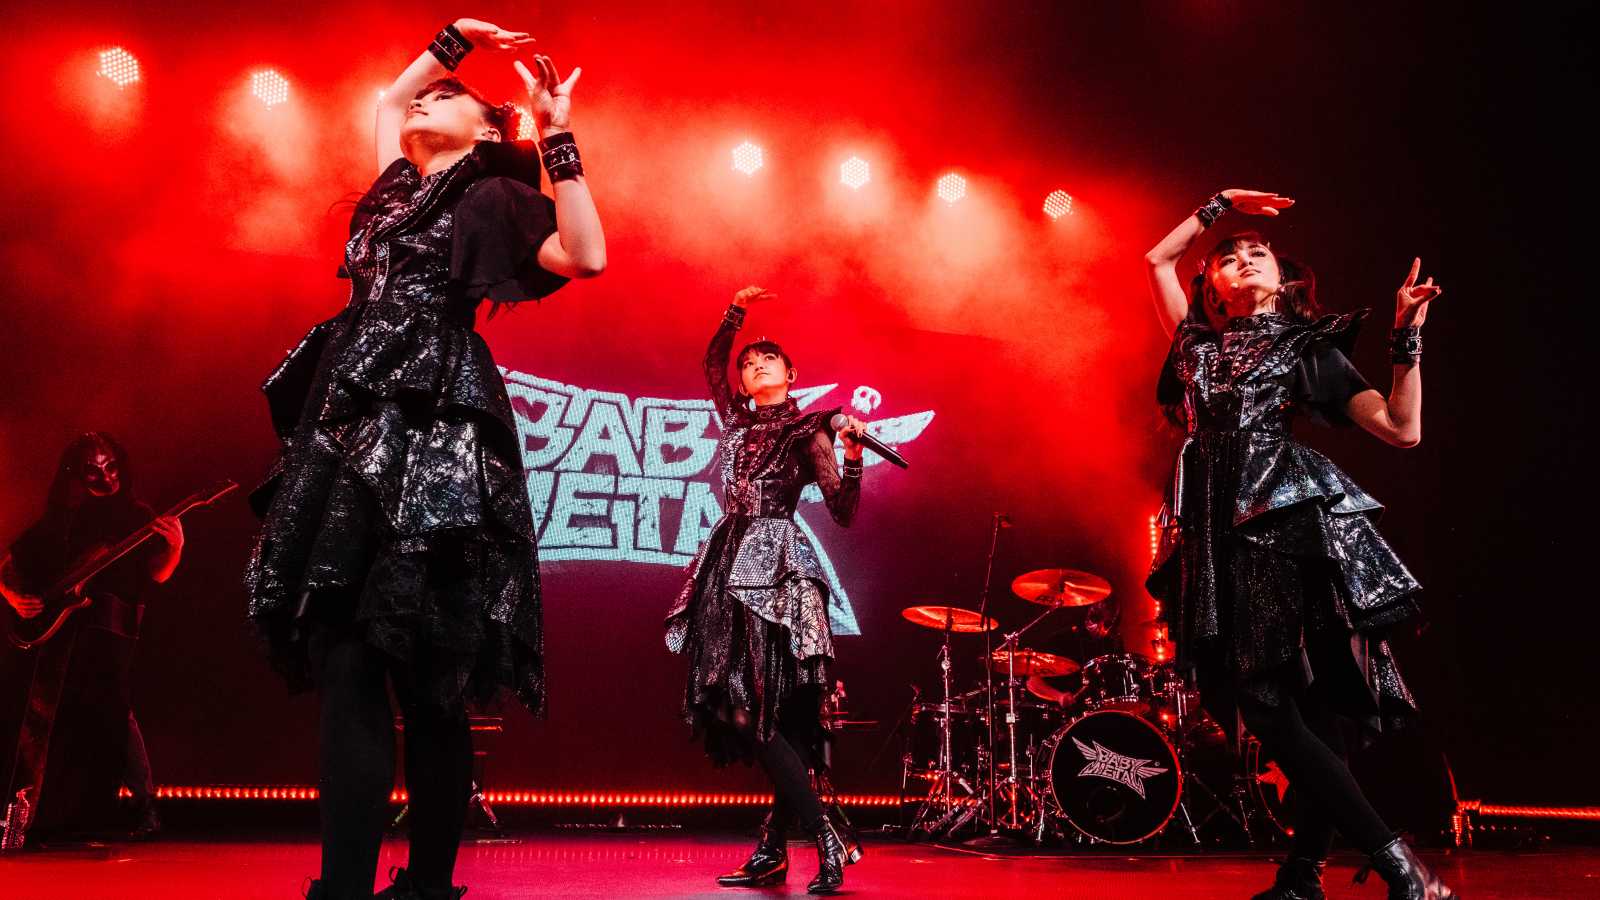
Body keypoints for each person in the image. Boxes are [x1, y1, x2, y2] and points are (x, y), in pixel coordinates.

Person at [243, 17, 604, 900]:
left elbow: (587, 255)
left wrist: (556, 134)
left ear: (487, 131)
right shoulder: (393, 188)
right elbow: (388, 96)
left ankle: (430, 883)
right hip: (349, 419)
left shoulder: (490, 197)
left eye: (452, 100)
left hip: (436, 422)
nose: (426, 102)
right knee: (349, 657)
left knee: (431, 675)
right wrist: (455, 39)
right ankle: (344, 885)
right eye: (429, 96)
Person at [1143, 189, 1454, 900]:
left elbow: (1403, 429)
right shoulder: (1192, 342)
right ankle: (1304, 874)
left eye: (1258, 252)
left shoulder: (1305, 346)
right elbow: (1158, 256)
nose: (1242, 257)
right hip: (1210, 535)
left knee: (1268, 702)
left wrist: (1407, 335)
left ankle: (1402, 865)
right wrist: (1217, 206)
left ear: (1283, 281)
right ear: (1211, 286)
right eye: (1227, 256)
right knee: (1295, 713)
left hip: (1279, 525)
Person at [664, 286, 868, 894]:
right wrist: (733, 312)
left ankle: (815, 840)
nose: (753, 367)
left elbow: (843, 510)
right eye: (748, 363)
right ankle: (786, 845)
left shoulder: (809, 429)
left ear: (791, 373)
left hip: (782, 566)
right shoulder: (735, 418)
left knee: (785, 715)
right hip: (730, 560)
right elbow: (710, 363)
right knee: (741, 705)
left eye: (767, 360)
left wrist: (852, 455)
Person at [1, 432, 182, 842]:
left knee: (115, 713)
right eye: (94, 469)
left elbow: (158, 573)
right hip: (64, 632)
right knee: (59, 718)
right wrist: (14, 596)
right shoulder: (61, 518)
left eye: (112, 465)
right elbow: (9, 563)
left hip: (113, 631)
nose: (107, 476)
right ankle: (54, 814)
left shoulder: (137, 513)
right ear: (75, 474)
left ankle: (142, 804)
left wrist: (176, 546)